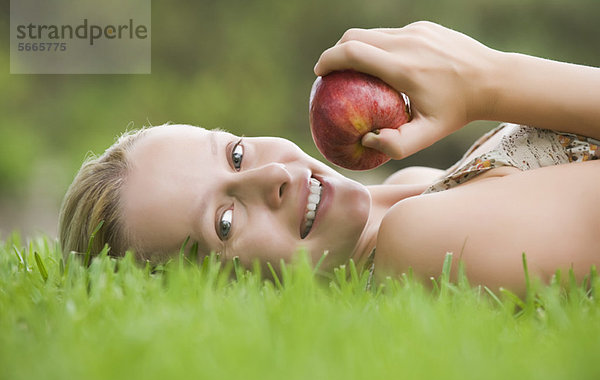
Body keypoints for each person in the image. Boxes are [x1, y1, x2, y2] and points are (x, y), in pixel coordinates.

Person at [59, 21, 600, 293]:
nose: (272, 175)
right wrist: (488, 80)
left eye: (236, 154)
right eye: (225, 222)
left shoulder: (415, 184)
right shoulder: (417, 244)